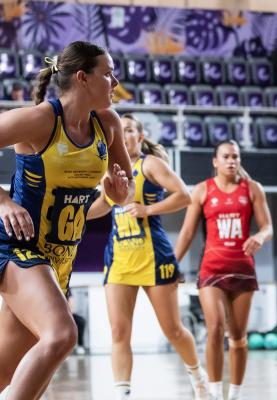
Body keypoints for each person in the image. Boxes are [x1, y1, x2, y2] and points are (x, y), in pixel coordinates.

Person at [0, 41, 132, 399]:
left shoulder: (108, 123)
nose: (115, 82)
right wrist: (3, 201)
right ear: (82, 77)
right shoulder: (40, 119)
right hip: (18, 247)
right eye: (107, 74)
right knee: (62, 334)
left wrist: (116, 196)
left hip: (59, 259)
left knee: (8, 371)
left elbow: (126, 188)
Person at [86, 114, 208, 399]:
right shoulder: (108, 170)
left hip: (154, 256)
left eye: (130, 130)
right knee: (118, 333)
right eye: (121, 130)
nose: (124, 134)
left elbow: (184, 196)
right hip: (118, 259)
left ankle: (197, 376)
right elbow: (104, 205)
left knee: (173, 330)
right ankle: (122, 393)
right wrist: (78, 214)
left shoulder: (150, 164)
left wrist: (148, 210)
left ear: (140, 137)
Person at [175, 140, 273, 400]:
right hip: (212, 270)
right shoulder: (201, 190)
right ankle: (215, 393)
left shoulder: (253, 189)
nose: (231, 161)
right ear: (215, 161)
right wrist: (172, 263)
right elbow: (186, 233)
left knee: (239, 336)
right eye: (226, 156)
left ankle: (235, 394)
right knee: (216, 328)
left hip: (243, 269)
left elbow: (267, 227)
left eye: (236, 156)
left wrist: (260, 238)